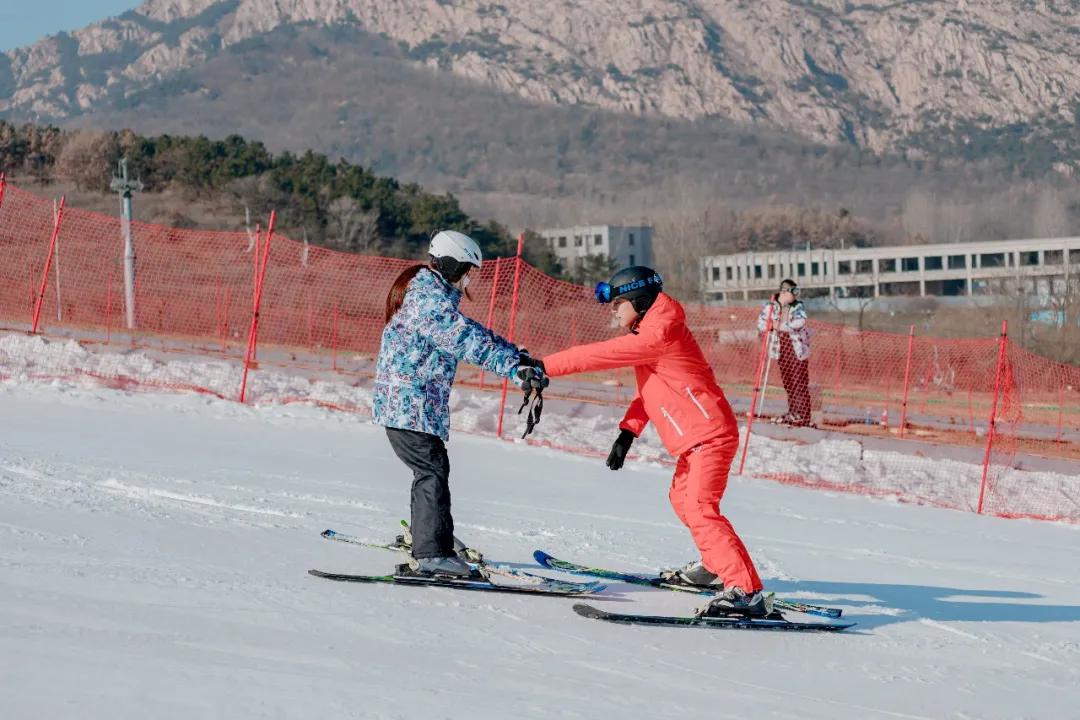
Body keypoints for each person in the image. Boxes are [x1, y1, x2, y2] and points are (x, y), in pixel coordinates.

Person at [540, 266, 767, 617]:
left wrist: (544, 366)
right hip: (696, 439)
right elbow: (652, 388)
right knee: (681, 499)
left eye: (618, 303)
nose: (613, 311)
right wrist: (628, 431)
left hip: (710, 436)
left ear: (640, 302)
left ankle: (745, 590)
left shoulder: (657, 334)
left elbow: (598, 355)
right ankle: (714, 565)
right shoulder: (654, 330)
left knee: (701, 509)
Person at [373, 230, 547, 578]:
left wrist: (518, 356)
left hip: (411, 406)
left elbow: (472, 330)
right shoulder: (428, 300)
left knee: (433, 470)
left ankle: (432, 537)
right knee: (432, 472)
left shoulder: (433, 293)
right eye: (467, 269)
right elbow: (465, 340)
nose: (469, 277)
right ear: (451, 263)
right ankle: (431, 554)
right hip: (410, 406)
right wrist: (513, 368)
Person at [756, 279, 812, 427]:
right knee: (788, 382)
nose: (795, 295)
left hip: (797, 349)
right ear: (784, 292)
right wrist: (770, 326)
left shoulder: (798, 306)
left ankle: (802, 414)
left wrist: (779, 326)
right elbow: (761, 324)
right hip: (780, 349)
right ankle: (793, 411)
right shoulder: (770, 306)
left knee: (798, 382)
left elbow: (799, 323)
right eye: (793, 292)